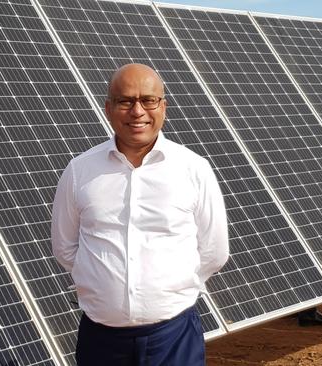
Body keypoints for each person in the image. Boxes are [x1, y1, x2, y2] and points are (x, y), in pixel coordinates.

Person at [51, 63, 229, 366]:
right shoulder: (80, 171)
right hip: (102, 342)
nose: (138, 111)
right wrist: (104, 288)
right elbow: (65, 248)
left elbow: (214, 251)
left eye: (148, 100)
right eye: (125, 101)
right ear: (108, 109)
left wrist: (169, 291)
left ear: (163, 107)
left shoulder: (193, 169)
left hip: (174, 338)